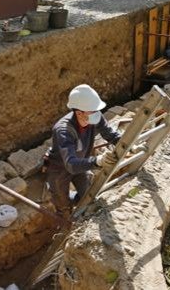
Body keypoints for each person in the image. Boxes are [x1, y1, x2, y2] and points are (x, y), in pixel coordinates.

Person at [43, 84, 121, 219]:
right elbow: (71, 164)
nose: (97, 114)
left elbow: (110, 134)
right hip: (60, 169)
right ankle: (66, 227)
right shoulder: (64, 130)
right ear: (79, 113)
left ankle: (81, 216)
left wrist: (128, 144)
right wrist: (97, 161)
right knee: (63, 206)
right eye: (93, 111)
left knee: (88, 196)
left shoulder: (94, 117)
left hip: (81, 164)